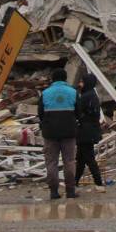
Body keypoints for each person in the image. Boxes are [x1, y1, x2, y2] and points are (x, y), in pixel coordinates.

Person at [38, 69, 79, 199]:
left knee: (51, 162)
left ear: (53, 79)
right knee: (69, 161)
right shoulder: (73, 92)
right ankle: (70, 191)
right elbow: (79, 112)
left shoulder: (45, 93)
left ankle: (54, 191)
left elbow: (40, 114)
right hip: (69, 132)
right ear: (65, 78)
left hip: (50, 133)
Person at [74, 73, 105, 192]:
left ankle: (99, 183)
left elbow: (81, 113)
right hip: (89, 131)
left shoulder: (86, 96)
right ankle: (75, 182)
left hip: (85, 132)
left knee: (89, 158)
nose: (79, 84)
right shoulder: (91, 94)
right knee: (81, 159)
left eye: (82, 81)